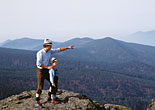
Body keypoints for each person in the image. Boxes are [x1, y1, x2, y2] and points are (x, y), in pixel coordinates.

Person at [35, 38, 74, 107]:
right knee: (40, 86)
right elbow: (38, 64)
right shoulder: (40, 53)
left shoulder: (50, 51)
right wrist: (47, 67)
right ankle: (37, 101)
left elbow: (59, 49)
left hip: (47, 69)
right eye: (50, 45)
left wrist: (68, 47)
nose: (51, 47)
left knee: (53, 81)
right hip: (41, 70)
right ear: (46, 45)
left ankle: (51, 97)